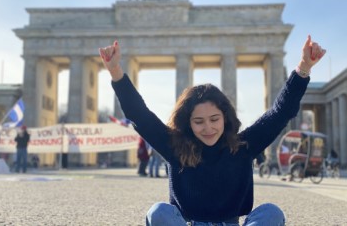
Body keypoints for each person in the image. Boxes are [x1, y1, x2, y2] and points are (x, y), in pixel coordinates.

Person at [99, 35, 325, 225]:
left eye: (214, 119)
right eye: (198, 121)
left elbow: (280, 112)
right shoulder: (175, 146)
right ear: (188, 123)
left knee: (272, 213)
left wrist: (303, 68)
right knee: (159, 212)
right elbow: (139, 115)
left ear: (225, 118)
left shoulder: (243, 145)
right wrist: (115, 70)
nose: (208, 128)